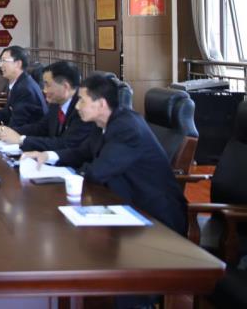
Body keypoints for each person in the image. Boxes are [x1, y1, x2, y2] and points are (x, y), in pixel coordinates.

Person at [22, 74, 187, 235]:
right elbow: (81, 152)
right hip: (122, 203)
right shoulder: (102, 123)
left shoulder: (127, 128)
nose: (77, 106)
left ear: (101, 104)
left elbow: (97, 172)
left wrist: (68, 176)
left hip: (153, 217)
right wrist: (48, 156)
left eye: (82, 101)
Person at [0, 61, 99, 153]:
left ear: (65, 87)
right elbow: (41, 128)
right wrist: (10, 131)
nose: (44, 90)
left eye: (47, 85)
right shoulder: (56, 103)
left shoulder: (83, 108)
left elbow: (66, 144)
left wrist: (21, 140)